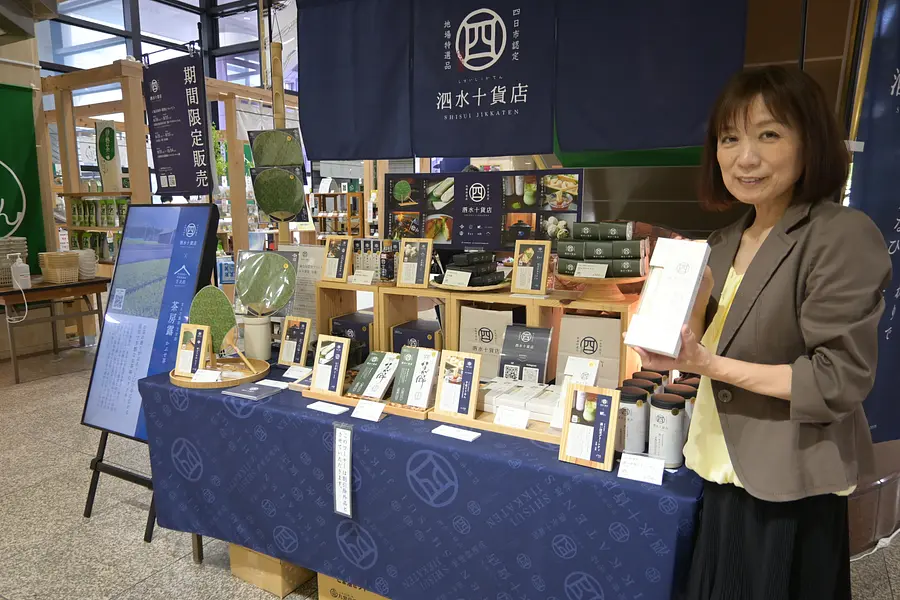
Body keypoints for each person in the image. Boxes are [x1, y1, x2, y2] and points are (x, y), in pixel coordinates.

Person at [633, 66, 891, 599]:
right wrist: (678, 321)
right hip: (717, 467)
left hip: (788, 485)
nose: (744, 157)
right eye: (730, 138)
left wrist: (707, 364)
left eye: (768, 134)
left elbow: (835, 379)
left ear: (809, 143)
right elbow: (702, 349)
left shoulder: (839, 234)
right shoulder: (723, 241)